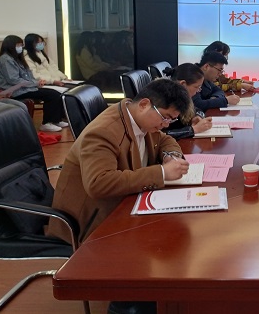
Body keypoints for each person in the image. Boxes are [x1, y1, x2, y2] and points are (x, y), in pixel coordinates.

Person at [47, 79, 191, 243]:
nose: (165, 125)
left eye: (170, 120)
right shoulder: (103, 132)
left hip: (125, 204)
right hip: (91, 227)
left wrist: (170, 155)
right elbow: (99, 183)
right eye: (165, 117)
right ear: (144, 104)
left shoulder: (140, 119)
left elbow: (165, 140)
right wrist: (162, 173)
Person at [0, 35, 67, 132]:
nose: (21, 48)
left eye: (21, 45)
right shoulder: (6, 59)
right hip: (15, 90)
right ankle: (46, 123)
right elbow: (14, 80)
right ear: (10, 46)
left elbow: (29, 74)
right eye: (18, 45)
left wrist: (36, 82)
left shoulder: (17, 58)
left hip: (26, 88)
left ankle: (55, 120)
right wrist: (34, 83)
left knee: (55, 93)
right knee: (52, 95)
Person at [163, 63, 213, 139]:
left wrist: (197, 116)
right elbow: (159, 135)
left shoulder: (182, 99)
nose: (198, 91)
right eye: (197, 87)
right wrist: (193, 130)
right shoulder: (164, 102)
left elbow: (197, 109)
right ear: (183, 84)